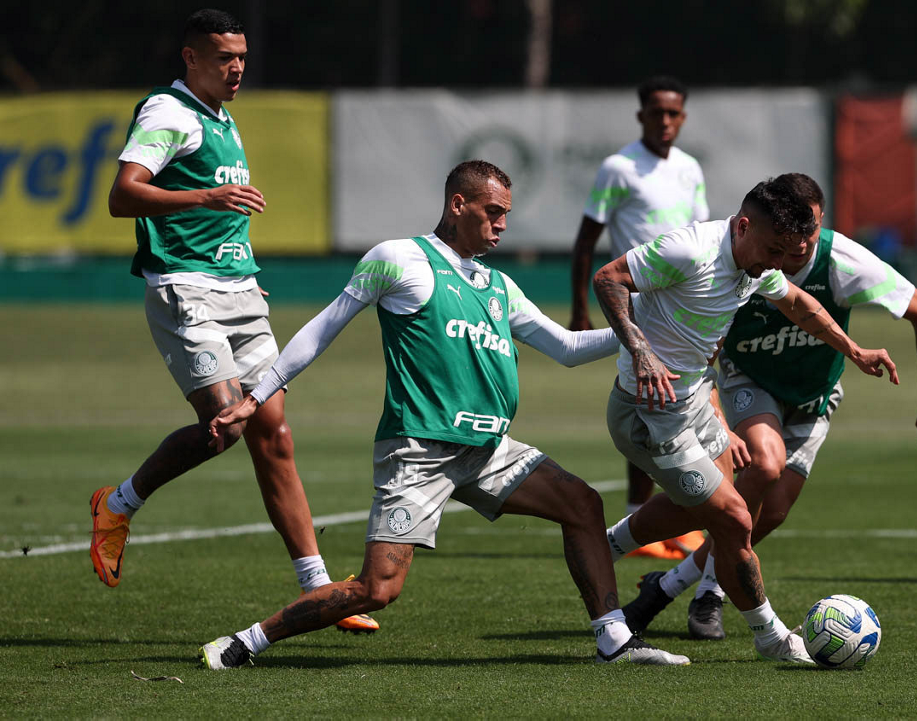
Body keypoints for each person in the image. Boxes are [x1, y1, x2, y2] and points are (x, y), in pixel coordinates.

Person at [200, 161, 690, 669]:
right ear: (458, 204)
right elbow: (323, 329)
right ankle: (246, 641)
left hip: (489, 451)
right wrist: (259, 396)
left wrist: (645, 332)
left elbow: (566, 348)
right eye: (493, 211)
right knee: (377, 589)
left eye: (506, 214)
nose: (502, 224)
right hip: (420, 451)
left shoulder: (498, 285)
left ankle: (614, 640)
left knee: (583, 503)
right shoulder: (397, 259)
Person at [92, 8, 377, 632]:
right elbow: (122, 195)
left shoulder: (221, 116)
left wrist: (238, 266)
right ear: (191, 57)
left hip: (239, 291)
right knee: (224, 426)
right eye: (224, 57)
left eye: (242, 56)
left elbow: (221, 217)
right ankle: (117, 504)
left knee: (274, 433)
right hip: (186, 291)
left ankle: (318, 590)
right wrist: (206, 196)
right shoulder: (168, 113)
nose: (237, 67)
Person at [621, 173, 917, 640]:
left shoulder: (842, 261)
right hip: (748, 380)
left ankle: (667, 585)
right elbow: (701, 342)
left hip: (814, 396)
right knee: (764, 463)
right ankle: (710, 591)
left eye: (809, 229)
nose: (799, 241)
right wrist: (715, 414)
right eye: (791, 230)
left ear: (820, 222)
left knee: (769, 513)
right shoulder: (744, 256)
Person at [569, 76, 710, 560]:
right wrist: (581, 307)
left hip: (684, 303)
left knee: (685, 398)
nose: (665, 121)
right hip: (636, 298)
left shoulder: (690, 168)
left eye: (673, 113)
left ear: (683, 117)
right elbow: (586, 241)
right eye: (656, 113)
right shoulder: (619, 168)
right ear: (641, 116)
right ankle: (642, 520)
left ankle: (671, 518)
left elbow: (701, 234)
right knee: (648, 399)